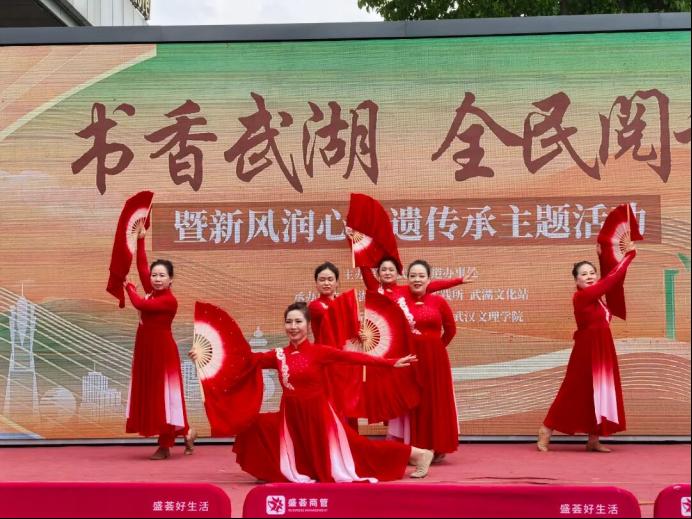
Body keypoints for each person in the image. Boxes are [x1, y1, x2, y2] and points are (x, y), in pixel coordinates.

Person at [191, 302, 434, 482]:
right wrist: (204, 358)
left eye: (298, 322)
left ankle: (417, 454)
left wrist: (390, 363)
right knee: (255, 425)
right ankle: (271, 468)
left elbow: (354, 358)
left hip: (319, 418)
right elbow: (243, 361)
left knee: (359, 450)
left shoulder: (319, 352)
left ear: (307, 325)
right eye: (289, 322)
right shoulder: (279, 355)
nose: (293, 327)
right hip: (291, 418)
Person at [537, 245, 637, 453]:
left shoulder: (596, 296)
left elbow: (607, 280)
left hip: (603, 348)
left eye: (592, 273)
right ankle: (546, 429)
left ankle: (594, 438)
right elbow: (610, 280)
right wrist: (629, 256)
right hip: (586, 349)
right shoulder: (582, 297)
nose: (589, 276)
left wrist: (602, 258)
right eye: (584, 274)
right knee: (573, 389)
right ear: (576, 281)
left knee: (601, 391)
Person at [123, 227, 195, 460]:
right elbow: (142, 267)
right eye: (154, 275)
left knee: (165, 396)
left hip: (162, 352)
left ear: (171, 279)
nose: (156, 278)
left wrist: (129, 287)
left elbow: (140, 304)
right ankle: (187, 432)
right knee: (153, 394)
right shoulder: (152, 292)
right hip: (145, 349)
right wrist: (141, 240)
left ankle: (165, 445)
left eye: (162, 275)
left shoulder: (169, 300)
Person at [396, 260, 459, 463]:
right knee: (416, 402)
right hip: (410, 359)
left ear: (429, 280)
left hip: (435, 360)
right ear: (407, 279)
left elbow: (451, 329)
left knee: (435, 402)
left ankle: (437, 446)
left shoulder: (438, 301)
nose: (417, 279)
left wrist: (437, 348)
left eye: (421, 276)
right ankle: (417, 448)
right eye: (413, 275)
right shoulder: (400, 302)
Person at [360, 256, 474, 301]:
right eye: (384, 270)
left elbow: (432, 286)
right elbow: (362, 263)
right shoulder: (374, 288)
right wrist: (355, 240)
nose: (387, 273)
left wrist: (459, 280)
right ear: (378, 274)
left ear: (398, 273)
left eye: (391, 270)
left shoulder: (407, 290)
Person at [307, 261, 340, 343]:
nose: (326, 283)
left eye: (330, 279)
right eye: (322, 280)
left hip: (343, 349)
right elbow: (335, 318)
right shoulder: (314, 305)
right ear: (316, 283)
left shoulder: (341, 302)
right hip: (323, 349)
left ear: (337, 283)